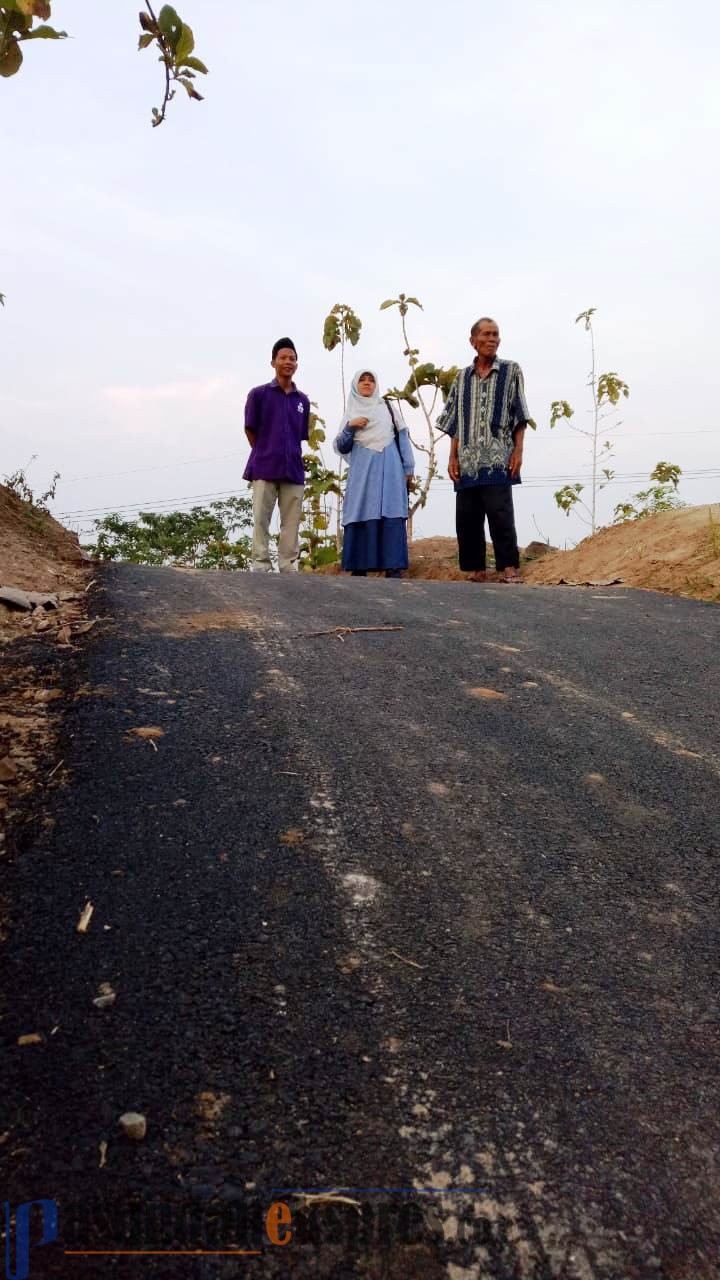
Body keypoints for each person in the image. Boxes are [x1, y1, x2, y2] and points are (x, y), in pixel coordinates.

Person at [436, 317, 530, 583]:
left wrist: (518, 452)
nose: (492, 339)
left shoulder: (511, 371)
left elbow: (520, 415)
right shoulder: (461, 377)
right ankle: (477, 569)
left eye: (496, 334)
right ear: (473, 341)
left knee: (500, 513)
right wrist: (452, 457)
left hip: (499, 457)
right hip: (467, 460)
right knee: (468, 518)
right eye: (486, 334)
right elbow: (454, 421)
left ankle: (509, 567)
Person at [334, 370, 415, 578]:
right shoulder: (351, 413)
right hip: (363, 473)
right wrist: (351, 427)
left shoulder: (387, 408)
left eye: (371, 380)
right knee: (362, 510)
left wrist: (408, 469)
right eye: (362, 380)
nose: (367, 383)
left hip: (391, 470)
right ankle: (359, 567)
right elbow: (342, 447)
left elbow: (403, 437)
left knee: (391, 510)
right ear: (355, 385)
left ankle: (393, 566)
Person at [243, 337, 310, 573]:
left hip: (293, 468)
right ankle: (260, 564)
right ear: (273, 362)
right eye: (283, 358)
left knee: (291, 522)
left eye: (292, 358)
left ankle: (288, 565)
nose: (287, 362)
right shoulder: (258, 394)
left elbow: (300, 435)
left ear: (297, 364)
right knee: (261, 519)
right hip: (264, 467)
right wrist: (264, 451)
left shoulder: (302, 400)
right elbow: (250, 429)